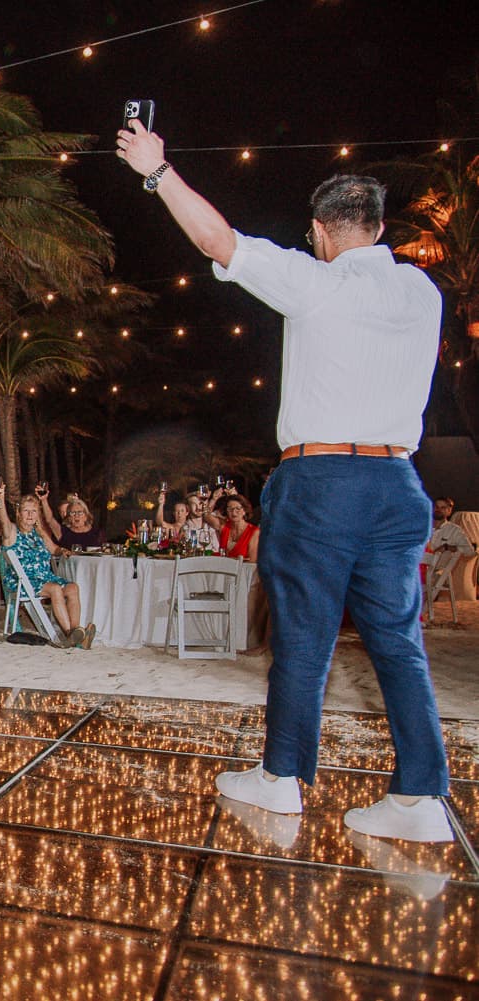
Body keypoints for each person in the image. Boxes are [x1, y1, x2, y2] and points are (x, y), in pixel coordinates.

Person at [120, 121, 451, 841]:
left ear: (320, 231)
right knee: (399, 642)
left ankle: (281, 781)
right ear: (380, 227)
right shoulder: (420, 293)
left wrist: (157, 171)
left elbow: (217, 240)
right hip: (398, 483)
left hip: (323, 482)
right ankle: (420, 799)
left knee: (303, 636)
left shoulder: (317, 282)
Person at [0, 482, 93, 648]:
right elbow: (4, 522)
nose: (30, 515)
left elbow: (54, 549)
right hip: (22, 582)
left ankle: (76, 632)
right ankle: (71, 634)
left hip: (44, 578)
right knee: (55, 589)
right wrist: (0, 499)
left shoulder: (39, 533)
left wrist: (62, 551)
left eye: (33, 511)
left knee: (72, 587)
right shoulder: (12, 532)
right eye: (26, 511)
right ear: (19, 513)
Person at [217, 494, 260, 561]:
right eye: (230, 509)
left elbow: (252, 561)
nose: (234, 512)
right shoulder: (223, 528)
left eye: (238, 508)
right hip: (223, 567)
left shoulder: (254, 532)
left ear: (244, 511)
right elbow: (207, 516)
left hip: (244, 567)